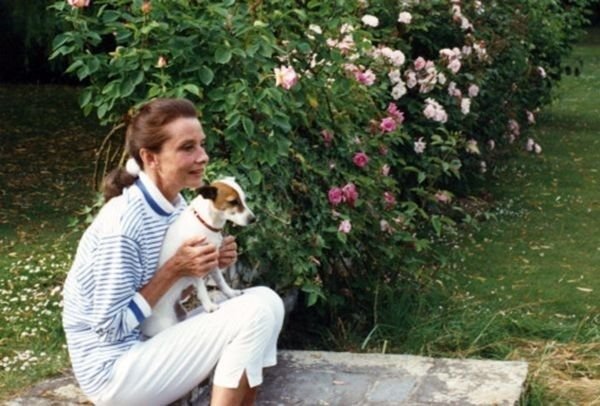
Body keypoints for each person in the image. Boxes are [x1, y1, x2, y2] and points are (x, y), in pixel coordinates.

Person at [62, 98, 284, 406]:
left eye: (202, 145)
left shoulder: (175, 207)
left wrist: (207, 262)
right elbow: (108, 329)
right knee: (253, 313)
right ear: (150, 158)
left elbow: (166, 296)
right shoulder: (123, 224)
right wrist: (174, 270)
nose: (203, 157)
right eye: (187, 148)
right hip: (114, 371)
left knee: (266, 300)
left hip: (150, 343)